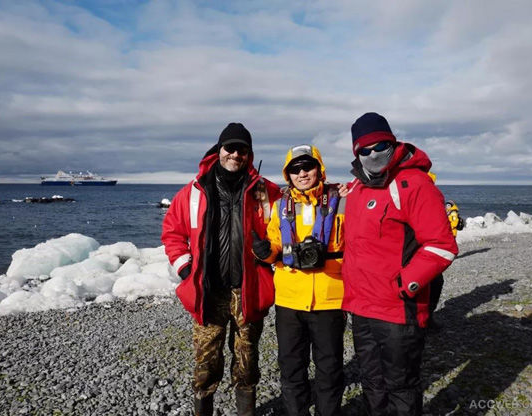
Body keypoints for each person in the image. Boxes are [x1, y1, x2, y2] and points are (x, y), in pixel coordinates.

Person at [341, 112, 458, 415]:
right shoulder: (356, 190)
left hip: (397, 311)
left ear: (392, 143)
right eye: (364, 150)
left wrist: (406, 284)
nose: (373, 155)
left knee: (401, 386)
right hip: (361, 308)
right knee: (372, 383)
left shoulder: (415, 184)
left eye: (380, 146)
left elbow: (442, 245)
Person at [161, 123, 280, 416]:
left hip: (248, 291)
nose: (235, 154)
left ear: (249, 155)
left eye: (242, 149)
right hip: (208, 292)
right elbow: (172, 233)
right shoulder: (193, 192)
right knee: (205, 364)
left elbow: (290, 220)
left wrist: (338, 191)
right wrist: (185, 269)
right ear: (219, 149)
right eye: (230, 148)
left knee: (247, 362)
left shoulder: (267, 192)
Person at [252, 144, 346, 416]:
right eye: (295, 169)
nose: (302, 173)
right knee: (291, 367)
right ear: (288, 175)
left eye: (308, 167)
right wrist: (264, 252)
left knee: (330, 368)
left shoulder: (343, 201)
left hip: (330, 299)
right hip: (289, 300)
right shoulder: (280, 206)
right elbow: (275, 246)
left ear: (319, 169)